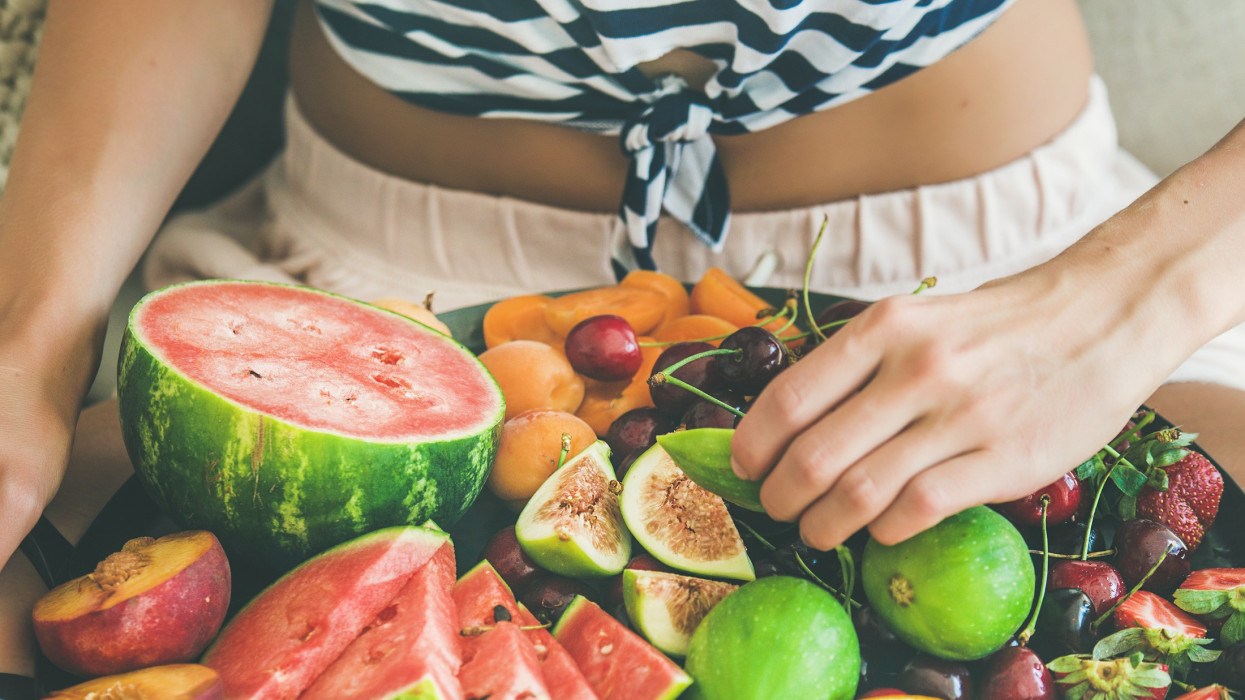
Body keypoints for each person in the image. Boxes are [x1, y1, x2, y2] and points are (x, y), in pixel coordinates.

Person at [2, 0, 1244, 681]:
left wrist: (1119, 303)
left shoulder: (1092, 302)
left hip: (1020, 280)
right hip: (371, 304)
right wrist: (26, 341)